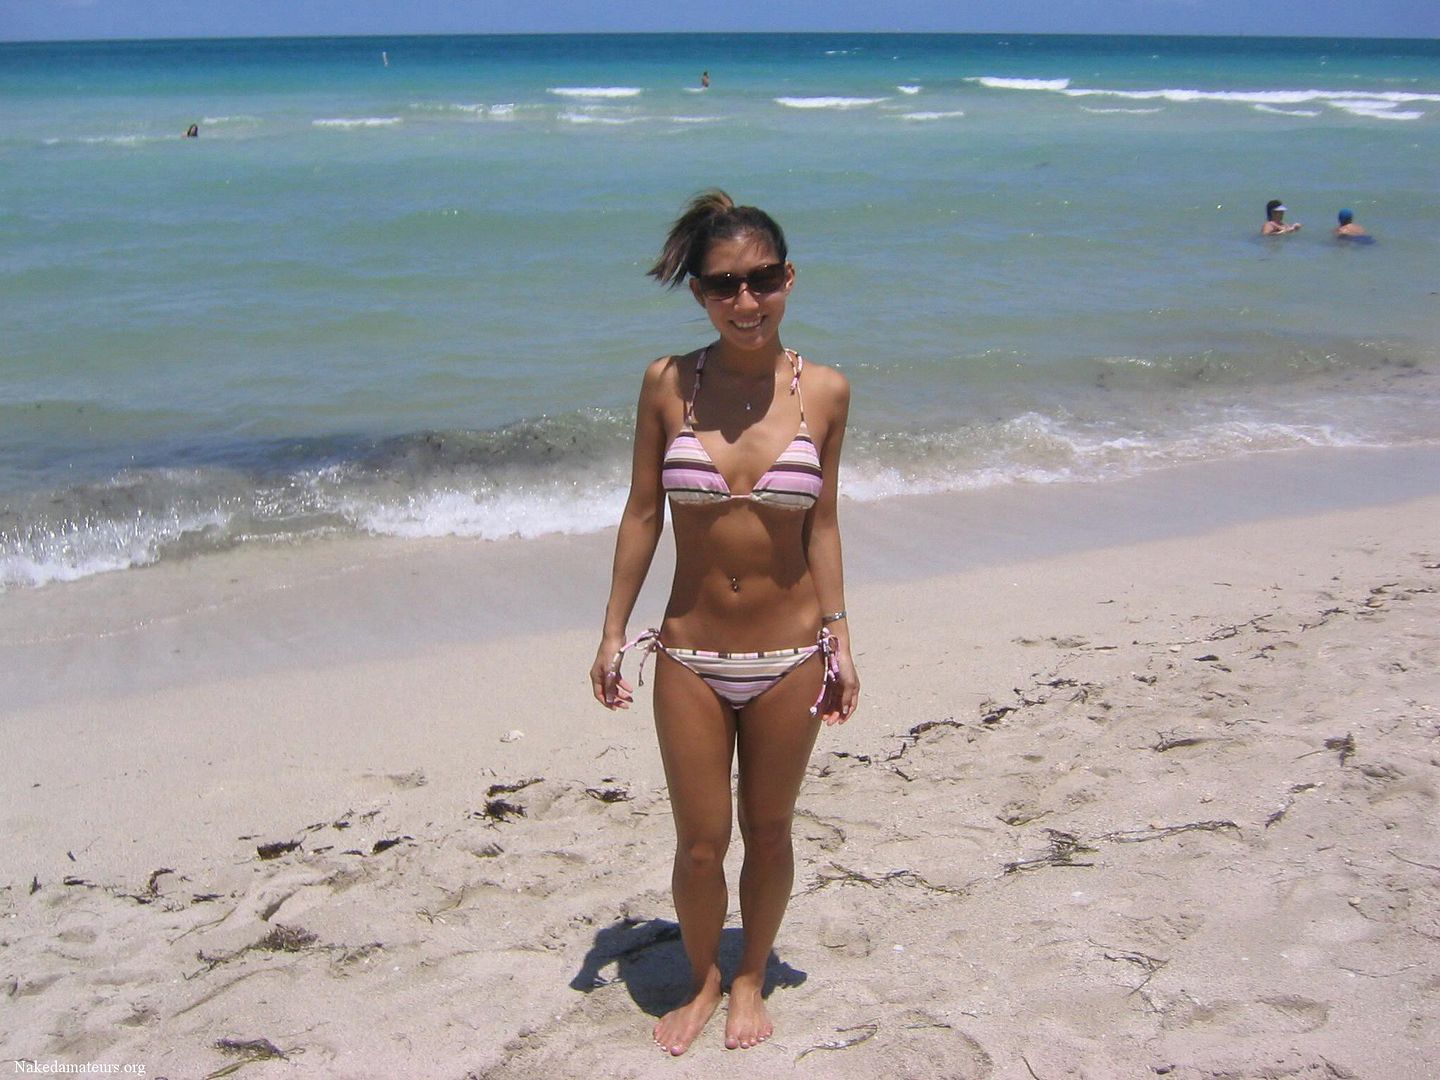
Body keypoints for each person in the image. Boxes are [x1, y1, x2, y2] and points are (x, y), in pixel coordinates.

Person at [590, 190, 860, 1055]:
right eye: (723, 285)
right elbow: (642, 513)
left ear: (790, 279)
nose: (746, 301)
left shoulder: (826, 391)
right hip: (690, 654)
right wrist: (612, 631)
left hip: (791, 653)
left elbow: (823, 524)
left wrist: (842, 641)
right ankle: (705, 977)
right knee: (702, 845)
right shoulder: (667, 384)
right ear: (700, 294)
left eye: (762, 279)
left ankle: (751, 978)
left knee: (770, 831)